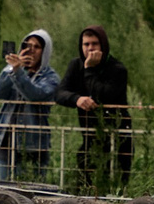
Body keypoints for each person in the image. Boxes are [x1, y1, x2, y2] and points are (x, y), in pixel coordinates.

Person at [54, 24, 133, 194]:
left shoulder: (117, 69)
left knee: (116, 185)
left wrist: (89, 70)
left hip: (117, 136)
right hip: (90, 135)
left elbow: (103, 95)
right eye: (86, 44)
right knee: (85, 182)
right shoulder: (76, 65)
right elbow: (59, 93)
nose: (90, 48)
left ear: (103, 45)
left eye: (94, 44)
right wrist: (77, 99)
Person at [0, 30, 59, 182]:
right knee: (6, 191)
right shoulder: (13, 70)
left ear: (45, 51)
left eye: (37, 47)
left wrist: (18, 73)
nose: (31, 51)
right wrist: (12, 68)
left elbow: (35, 94)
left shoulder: (50, 77)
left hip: (34, 144)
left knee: (34, 192)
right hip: (5, 140)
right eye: (27, 46)